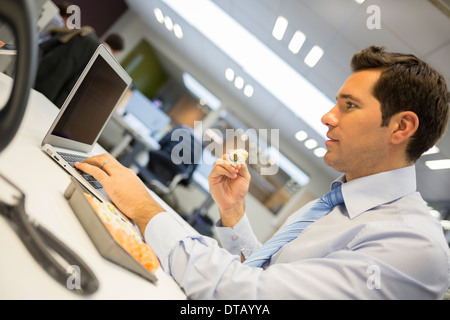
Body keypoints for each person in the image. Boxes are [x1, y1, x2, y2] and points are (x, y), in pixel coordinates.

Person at [75, 46, 450, 299]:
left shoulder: (414, 245)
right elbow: (270, 273)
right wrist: (235, 216)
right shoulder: (337, 201)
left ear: (401, 128)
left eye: (349, 106)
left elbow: (252, 297)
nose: (327, 117)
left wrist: (145, 209)